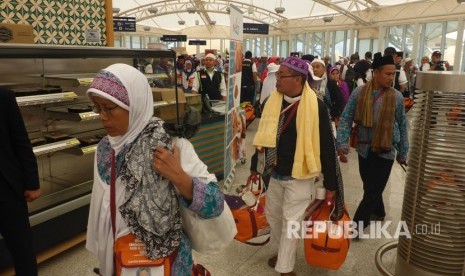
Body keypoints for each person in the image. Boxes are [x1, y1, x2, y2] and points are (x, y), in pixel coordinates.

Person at [85, 63, 224, 276]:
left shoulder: (170, 145)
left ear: (135, 104)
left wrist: (179, 177)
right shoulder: (106, 147)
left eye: (109, 108)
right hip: (118, 258)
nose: (102, 116)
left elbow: (215, 204)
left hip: (167, 263)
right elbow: (103, 206)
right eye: (97, 107)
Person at [251, 57, 339, 276]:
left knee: (291, 221)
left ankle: (285, 267)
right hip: (275, 171)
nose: (276, 79)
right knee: (274, 217)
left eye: (282, 75)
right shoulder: (272, 101)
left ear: (298, 80)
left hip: (301, 174)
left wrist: (331, 183)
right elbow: (263, 137)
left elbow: (327, 146)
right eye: (277, 75)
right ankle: (282, 252)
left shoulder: (316, 105)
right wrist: (255, 167)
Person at [337, 52, 409, 234]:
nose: (391, 78)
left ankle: (357, 227)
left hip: (386, 150)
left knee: (371, 191)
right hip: (364, 148)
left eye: (393, 74)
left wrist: (403, 151)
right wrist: (342, 143)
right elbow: (346, 118)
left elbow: (402, 124)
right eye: (388, 74)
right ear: (375, 73)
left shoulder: (397, 97)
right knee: (370, 186)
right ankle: (379, 211)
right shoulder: (360, 92)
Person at [0, 87, 41, 276]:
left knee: (22, 248)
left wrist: (32, 182)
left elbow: (20, 140)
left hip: (6, 187)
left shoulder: (4, 96)